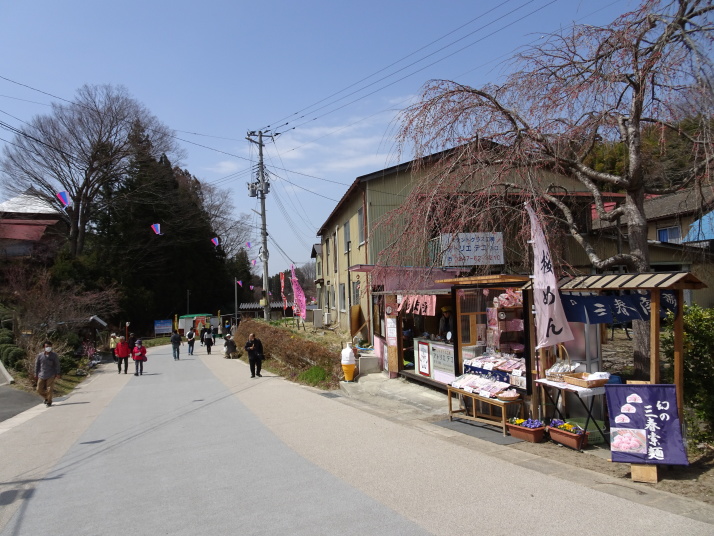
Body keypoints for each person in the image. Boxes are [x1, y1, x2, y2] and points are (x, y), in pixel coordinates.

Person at [35, 341, 60, 406]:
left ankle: (49, 401)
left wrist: (58, 373)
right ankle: (46, 397)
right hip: (42, 374)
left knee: (49, 389)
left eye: (49, 346)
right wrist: (36, 374)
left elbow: (57, 365)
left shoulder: (54, 355)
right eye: (46, 346)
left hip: (51, 374)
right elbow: (37, 365)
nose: (48, 348)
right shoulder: (40, 355)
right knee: (39, 389)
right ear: (44, 347)